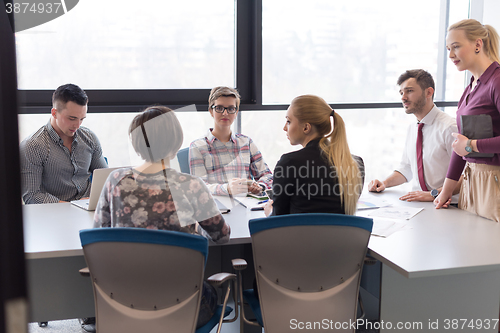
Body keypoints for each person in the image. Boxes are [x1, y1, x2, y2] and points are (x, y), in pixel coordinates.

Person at [94, 106, 230, 328]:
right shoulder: (192, 185)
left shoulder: (115, 180)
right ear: (176, 142)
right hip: (185, 304)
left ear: (136, 143)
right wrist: (194, 229)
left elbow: (100, 234)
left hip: (125, 300)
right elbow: (222, 237)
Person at [435, 19, 500, 223]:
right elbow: (459, 145)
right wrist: (445, 191)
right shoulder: (471, 87)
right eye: (448, 48)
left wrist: (471, 146)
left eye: (456, 47)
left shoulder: (496, 82)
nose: (451, 55)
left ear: (478, 45)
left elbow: (466, 145)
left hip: (494, 182)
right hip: (472, 182)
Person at [265, 94, 364, 216]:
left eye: (289, 121)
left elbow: (278, 220)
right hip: (341, 236)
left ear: (306, 127)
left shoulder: (289, 163)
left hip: (299, 235)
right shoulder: (355, 164)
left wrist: (269, 211)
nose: (284, 128)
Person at [368, 70, 459, 202]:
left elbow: (466, 176)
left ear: (429, 92)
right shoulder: (413, 127)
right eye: (401, 93)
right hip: (419, 203)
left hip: (448, 205)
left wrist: (434, 194)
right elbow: (407, 168)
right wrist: (384, 183)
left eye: (409, 91)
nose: (403, 97)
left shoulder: (449, 127)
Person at [20, 83, 108, 204]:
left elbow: (105, 180)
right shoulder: (33, 146)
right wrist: (74, 206)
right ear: (54, 113)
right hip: (54, 214)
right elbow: (31, 196)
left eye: (81, 119)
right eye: (72, 118)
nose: (77, 125)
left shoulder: (90, 138)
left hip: (89, 209)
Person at [189, 86, 273, 196]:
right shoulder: (197, 146)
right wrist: (227, 188)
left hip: (247, 205)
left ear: (236, 112)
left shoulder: (246, 142)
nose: (225, 113)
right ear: (211, 111)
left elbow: (267, 176)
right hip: (216, 208)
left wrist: (259, 186)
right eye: (219, 108)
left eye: (231, 109)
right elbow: (199, 187)